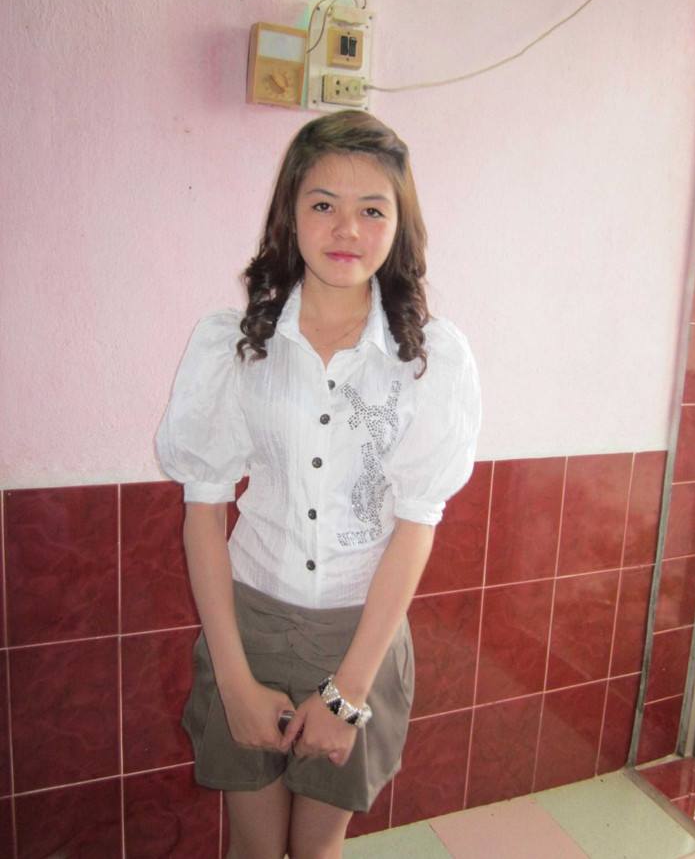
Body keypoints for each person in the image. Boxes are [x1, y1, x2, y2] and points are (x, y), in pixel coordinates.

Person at [156, 110, 481, 859]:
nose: (346, 229)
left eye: (373, 210)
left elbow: (416, 525)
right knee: (253, 849)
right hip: (249, 624)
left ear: (400, 224)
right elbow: (203, 514)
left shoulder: (429, 360)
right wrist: (234, 682)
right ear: (291, 212)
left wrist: (349, 694)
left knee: (317, 850)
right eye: (324, 203)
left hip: (358, 635)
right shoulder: (237, 343)